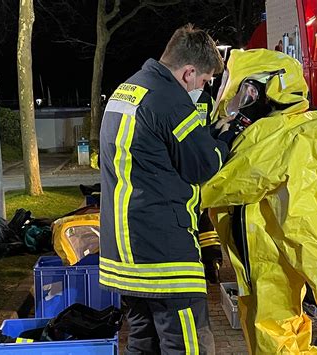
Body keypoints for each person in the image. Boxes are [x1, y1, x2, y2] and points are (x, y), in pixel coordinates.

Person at [200, 48, 317, 354]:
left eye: (241, 92)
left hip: (268, 257)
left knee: (275, 334)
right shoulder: (301, 128)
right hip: (268, 252)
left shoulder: (274, 136)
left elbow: (217, 186)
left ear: (259, 91)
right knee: (284, 328)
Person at [99, 24, 233, 354]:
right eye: (204, 81)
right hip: (164, 256)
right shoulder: (170, 100)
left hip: (124, 255)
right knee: (186, 344)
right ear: (189, 72)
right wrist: (228, 134)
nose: (203, 89)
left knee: (143, 343)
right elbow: (204, 165)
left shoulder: (127, 90)